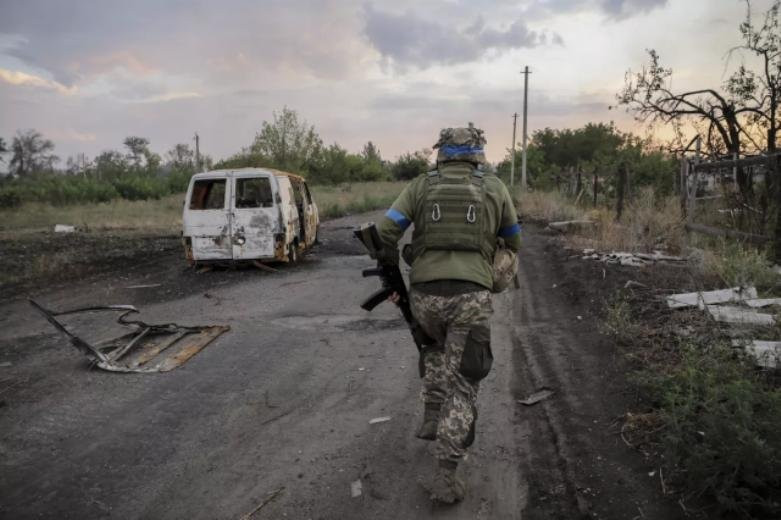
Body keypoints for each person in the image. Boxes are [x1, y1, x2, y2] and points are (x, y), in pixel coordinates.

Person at [377, 123, 521, 503]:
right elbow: (515, 239)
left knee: (435, 348)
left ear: (440, 152)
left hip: (425, 297)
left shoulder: (421, 186)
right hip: (470, 298)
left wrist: (394, 272)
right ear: (479, 153)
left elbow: (385, 230)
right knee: (465, 382)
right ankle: (445, 474)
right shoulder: (494, 187)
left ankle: (431, 414)